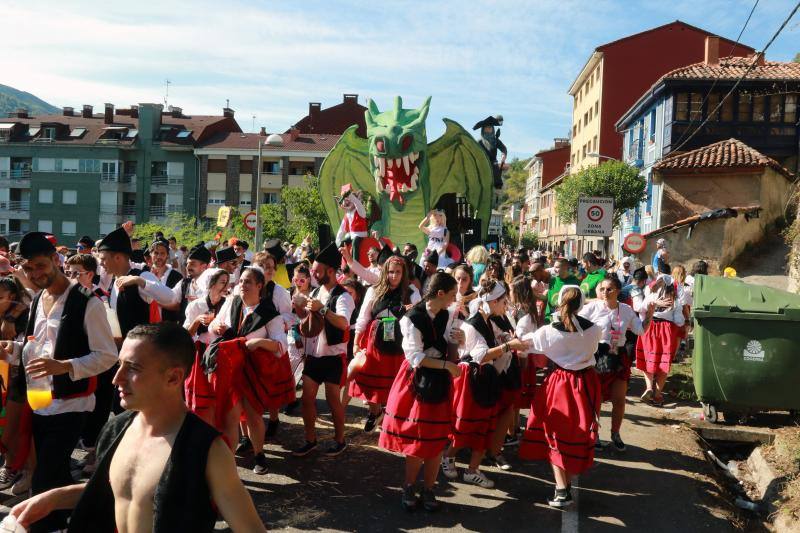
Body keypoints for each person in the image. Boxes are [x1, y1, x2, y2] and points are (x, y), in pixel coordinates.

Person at [9, 323, 266, 532]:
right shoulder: (116, 429)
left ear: (174, 377)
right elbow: (120, 489)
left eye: (132, 369)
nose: (116, 378)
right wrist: (53, 499)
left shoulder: (207, 449)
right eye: (120, 364)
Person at [0, 232, 117, 533]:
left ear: (55, 260)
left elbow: (107, 356)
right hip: (40, 402)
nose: (35, 274)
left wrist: (64, 366)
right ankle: (87, 520)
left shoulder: (87, 302)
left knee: (45, 478)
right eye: (28, 269)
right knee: (58, 473)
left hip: (72, 404)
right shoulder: (38, 298)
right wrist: (12, 352)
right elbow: (37, 347)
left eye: (40, 266)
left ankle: (44, 527)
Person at [379, 272, 464, 511]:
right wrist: (447, 365)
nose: (454, 299)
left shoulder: (447, 314)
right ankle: (408, 486)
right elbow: (415, 358)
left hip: (439, 378)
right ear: (440, 294)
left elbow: (448, 342)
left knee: (436, 440)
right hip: (417, 381)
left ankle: (429, 488)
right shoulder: (411, 319)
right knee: (418, 439)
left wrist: (460, 338)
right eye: (451, 294)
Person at [519, 286, 603, 508]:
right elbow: (592, 349)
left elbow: (526, 345)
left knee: (554, 433)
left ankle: (561, 489)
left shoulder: (549, 331)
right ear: (581, 304)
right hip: (585, 382)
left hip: (560, 383)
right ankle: (563, 486)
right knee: (574, 432)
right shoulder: (594, 329)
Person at [442, 279, 528, 489]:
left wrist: (505, 338)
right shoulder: (474, 324)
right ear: (492, 301)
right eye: (502, 301)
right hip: (473, 379)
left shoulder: (489, 320)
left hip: (485, 378)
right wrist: (509, 345)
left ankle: (472, 470)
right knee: (467, 425)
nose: (505, 305)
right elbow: (480, 356)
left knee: (484, 426)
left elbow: (495, 339)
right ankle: (448, 456)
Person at [209, 267, 289, 475]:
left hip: (254, 371)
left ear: (259, 286)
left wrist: (260, 342)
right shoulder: (232, 302)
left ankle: (259, 454)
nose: (242, 286)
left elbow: (282, 345)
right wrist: (216, 326)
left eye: (248, 282)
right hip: (230, 368)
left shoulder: (269, 313)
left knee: (253, 416)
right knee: (231, 416)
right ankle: (228, 460)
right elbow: (216, 324)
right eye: (241, 281)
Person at [292, 243, 354, 458]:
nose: (314, 274)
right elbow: (308, 320)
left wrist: (323, 308)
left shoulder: (343, 296)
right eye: (313, 271)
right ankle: (311, 440)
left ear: (330, 271)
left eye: (317, 271)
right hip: (314, 355)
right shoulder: (316, 291)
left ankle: (340, 440)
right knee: (307, 398)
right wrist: (300, 307)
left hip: (333, 357)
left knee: (332, 399)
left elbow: (344, 323)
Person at [580, 276, 653, 452]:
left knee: (619, 400)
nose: (606, 292)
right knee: (595, 400)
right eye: (603, 289)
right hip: (597, 356)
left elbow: (640, 330)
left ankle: (615, 433)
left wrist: (649, 314)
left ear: (618, 291)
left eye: (610, 289)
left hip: (618, 356)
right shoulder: (592, 308)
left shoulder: (626, 310)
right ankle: (594, 433)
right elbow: (577, 326)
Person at [348, 255, 420, 432]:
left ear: (403, 273)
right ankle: (374, 412)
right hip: (374, 342)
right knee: (366, 380)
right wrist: (356, 341)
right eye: (390, 272)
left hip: (400, 344)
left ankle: (390, 418)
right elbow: (363, 316)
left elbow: (420, 320)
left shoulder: (411, 292)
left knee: (396, 385)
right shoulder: (375, 290)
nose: (393, 276)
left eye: (397, 272)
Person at [98, 227, 179, 340]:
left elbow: (171, 297)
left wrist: (140, 281)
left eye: (103, 259)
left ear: (117, 257)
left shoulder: (142, 276)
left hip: (140, 352)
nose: (100, 264)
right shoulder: (114, 280)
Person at [0, 276, 31, 494]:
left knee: (17, 426)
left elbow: (28, 348)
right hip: (3, 378)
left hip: (18, 380)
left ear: (12, 297)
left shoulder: (24, 315)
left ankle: (20, 469)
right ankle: (9, 465)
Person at [635, 274, 685, 406]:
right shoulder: (675, 298)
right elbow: (679, 321)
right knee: (664, 363)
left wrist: (654, 304)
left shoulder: (651, 294)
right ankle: (657, 395)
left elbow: (641, 308)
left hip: (649, 326)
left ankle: (649, 388)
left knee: (648, 359)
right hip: (666, 330)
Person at [146, 238, 184, 323]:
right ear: (151, 255)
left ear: (167, 255)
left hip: (169, 325)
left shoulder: (176, 277)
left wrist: (157, 303)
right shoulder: (145, 275)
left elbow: (178, 305)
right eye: (156, 253)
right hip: (148, 325)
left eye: (162, 253)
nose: (159, 256)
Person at [537, 257, 580, 322]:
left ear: (565, 268)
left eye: (557, 267)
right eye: (554, 267)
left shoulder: (575, 282)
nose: (554, 269)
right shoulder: (552, 280)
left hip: (563, 321)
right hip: (549, 319)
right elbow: (548, 298)